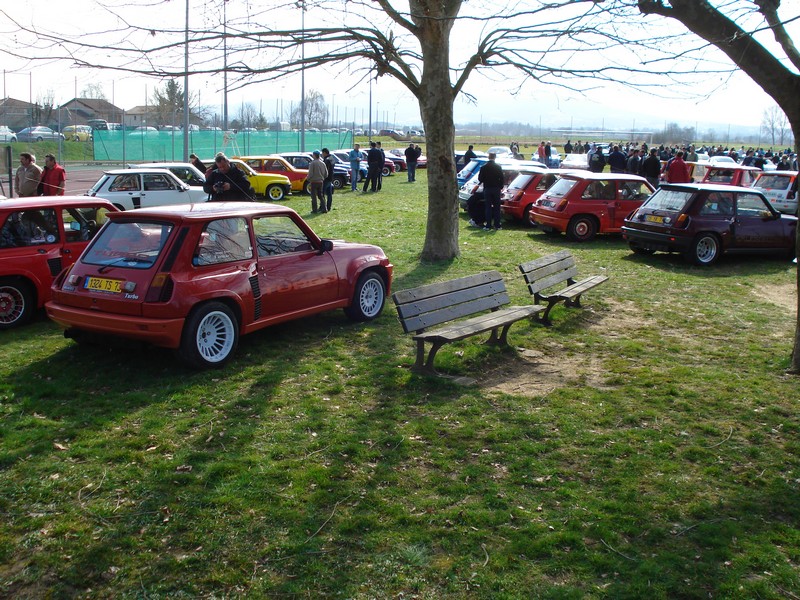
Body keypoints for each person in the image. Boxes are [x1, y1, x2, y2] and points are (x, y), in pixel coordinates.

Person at [479, 152, 504, 231]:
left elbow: (480, 179)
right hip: (496, 189)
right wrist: (500, 186)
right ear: (495, 157)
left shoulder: (483, 167)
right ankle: (497, 225)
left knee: (488, 207)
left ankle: (488, 225)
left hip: (487, 188)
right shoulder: (498, 167)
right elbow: (502, 178)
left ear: (488, 157)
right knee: (497, 207)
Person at [321, 148, 336, 212]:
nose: (322, 154)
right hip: (331, 178)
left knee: (322, 193)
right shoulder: (332, 158)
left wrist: (323, 177)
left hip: (326, 178)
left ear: (324, 153)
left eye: (322, 153)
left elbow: (325, 170)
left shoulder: (326, 160)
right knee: (329, 194)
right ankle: (328, 207)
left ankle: (323, 207)